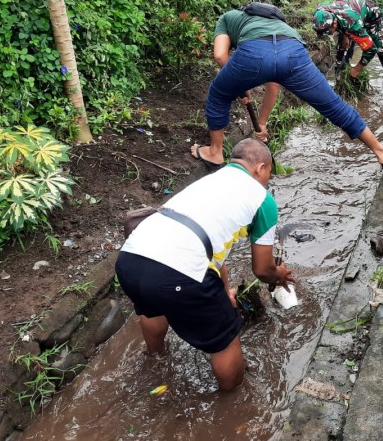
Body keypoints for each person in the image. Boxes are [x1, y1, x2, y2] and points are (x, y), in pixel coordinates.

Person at [116, 139, 294, 390]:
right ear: (260, 168)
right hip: (178, 272)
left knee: (152, 308)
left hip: (131, 258)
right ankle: (232, 402)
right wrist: (279, 276)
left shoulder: (208, 182)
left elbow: (209, 250)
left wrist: (224, 291)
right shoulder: (262, 200)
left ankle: (156, 359)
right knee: (227, 341)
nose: (267, 181)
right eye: (269, 174)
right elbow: (262, 270)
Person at [190, 5, 383, 170]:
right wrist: (260, 121)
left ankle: (215, 152)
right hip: (293, 53)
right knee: (334, 106)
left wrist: (236, 83)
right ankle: (381, 150)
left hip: (252, 54)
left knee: (218, 95)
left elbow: (220, 55)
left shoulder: (227, 18)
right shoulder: (282, 26)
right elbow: (274, 82)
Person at [312, 0, 383, 94]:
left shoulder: (351, 23)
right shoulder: (319, 13)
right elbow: (340, 22)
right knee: (342, 51)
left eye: (328, 32)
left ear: (334, 24)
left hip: (373, 19)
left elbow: (371, 49)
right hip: (352, 15)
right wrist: (344, 35)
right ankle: (341, 88)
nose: (327, 34)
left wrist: (357, 69)